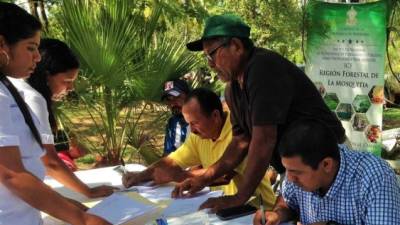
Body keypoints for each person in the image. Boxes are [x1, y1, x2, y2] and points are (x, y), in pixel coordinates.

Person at [172, 13, 346, 211]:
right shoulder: (233, 89)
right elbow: (240, 141)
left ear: (236, 46)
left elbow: (264, 139)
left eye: (212, 54)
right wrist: (205, 178)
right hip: (298, 169)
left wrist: (239, 197)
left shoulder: (263, 68)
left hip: (329, 165)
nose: (210, 64)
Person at [0, 3, 112, 225]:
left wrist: (69, 203)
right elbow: (11, 174)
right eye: (30, 48)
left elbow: (26, 166)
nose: (37, 58)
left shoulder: (8, 90)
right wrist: (83, 219)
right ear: (2, 44)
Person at [123, 88, 276, 209]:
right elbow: (171, 161)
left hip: (258, 211)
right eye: (188, 123)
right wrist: (142, 175)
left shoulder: (238, 133)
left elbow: (223, 175)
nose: (192, 130)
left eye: (195, 123)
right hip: (225, 210)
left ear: (215, 116)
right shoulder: (198, 136)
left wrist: (176, 175)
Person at [254, 119, 400, 225]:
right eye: (287, 169)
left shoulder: (375, 177)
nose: (290, 179)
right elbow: (288, 202)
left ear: (326, 164)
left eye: (296, 172)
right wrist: (277, 214)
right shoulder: (297, 171)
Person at [161, 79, 190, 155]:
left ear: (188, 96)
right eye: (169, 99)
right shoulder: (172, 122)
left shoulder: (202, 120)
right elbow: (168, 154)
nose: (172, 104)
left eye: (177, 97)